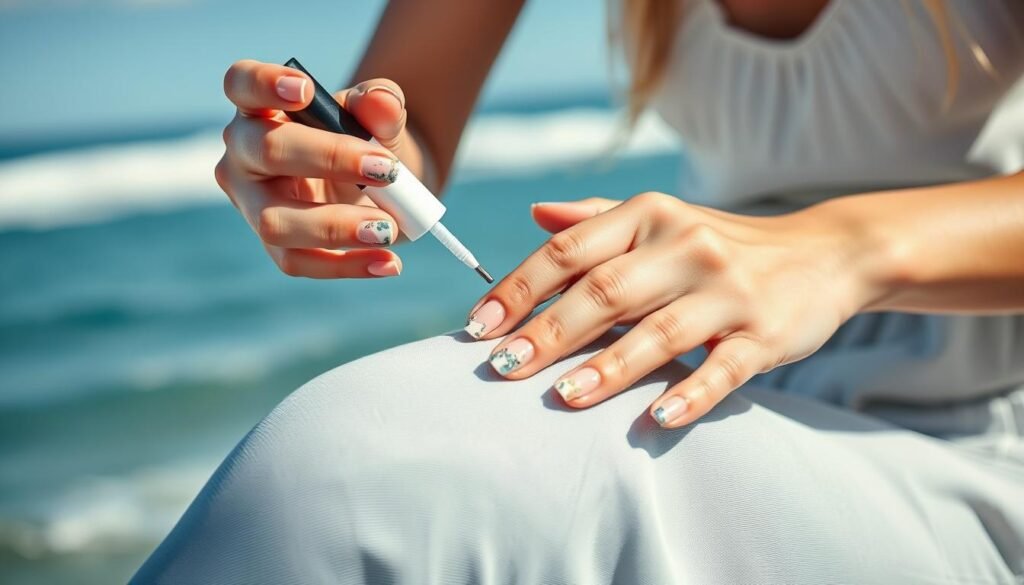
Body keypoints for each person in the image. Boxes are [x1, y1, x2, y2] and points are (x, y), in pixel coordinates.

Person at [133, 0, 1024, 582]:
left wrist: (834, 251)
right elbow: (413, 130)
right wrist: (355, 168)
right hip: (707, 376)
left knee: (335, 472)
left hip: (973, 431)